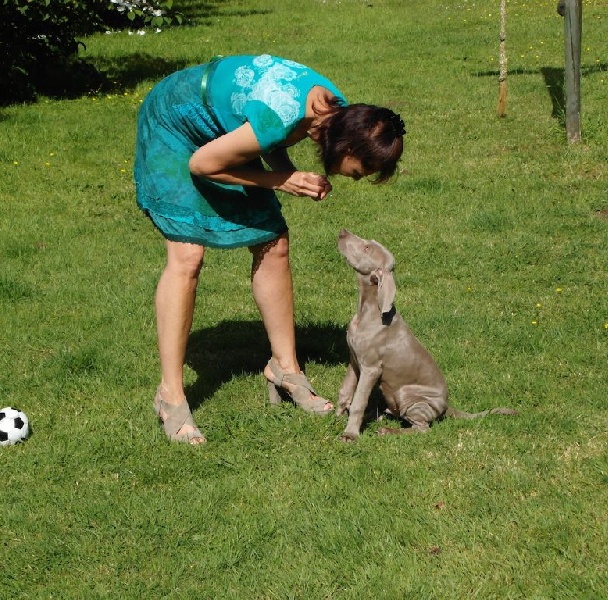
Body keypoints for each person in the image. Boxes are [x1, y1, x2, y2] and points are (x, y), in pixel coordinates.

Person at [134, 54, 405, 444]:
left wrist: (285, 171)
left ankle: (284, 367)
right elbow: (202, 165)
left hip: (221, 133)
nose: (356, 179)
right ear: (347, 145)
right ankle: (170, 397)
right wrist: (281, 180)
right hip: (175, 124)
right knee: (187, 256)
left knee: (273, 244)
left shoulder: (332, 108)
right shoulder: (284, 113)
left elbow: (273, 140)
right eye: (359, 171)